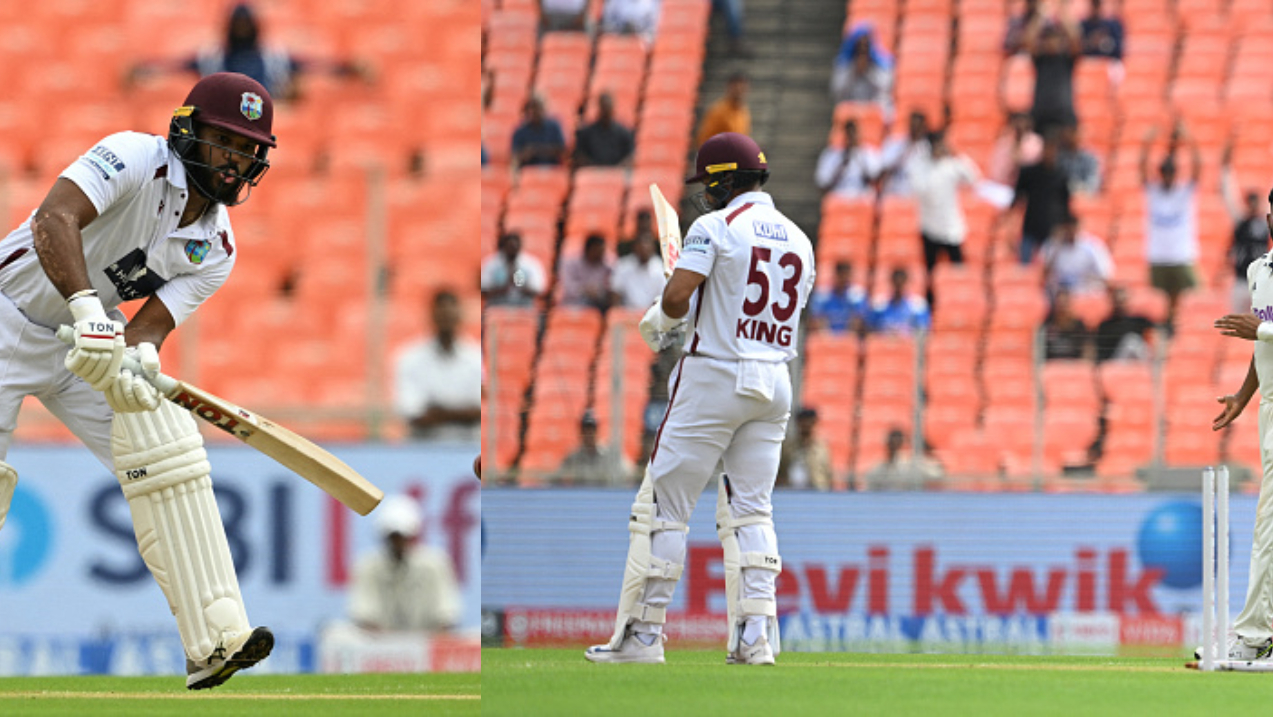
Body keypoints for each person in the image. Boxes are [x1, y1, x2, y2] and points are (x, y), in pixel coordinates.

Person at [0, 72, 278, 689]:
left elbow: (145, 332)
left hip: (82, 342)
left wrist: (137, 364)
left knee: (167, 442)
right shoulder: (135, 156)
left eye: (247, 150)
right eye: (224, 143)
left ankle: (215, 637)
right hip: (7, 313)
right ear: (189, 133)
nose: (235, 162)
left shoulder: (219, 249)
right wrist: (86, 309)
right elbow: (54, 220)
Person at [586, 132, 816, 666]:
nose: (705, 195)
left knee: (664, 508)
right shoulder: (801, 240)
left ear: (727, 181)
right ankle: (755, 638)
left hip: (713, 375)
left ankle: (643, 636)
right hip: (775, 382)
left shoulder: (714, 227)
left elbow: (675, 296)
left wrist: (660, 324)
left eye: (710, 184)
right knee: (752, 511)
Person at [1207, 205, 1273, 660]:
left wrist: (1264, 328)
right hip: (1269, 407)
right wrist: (1243, 396)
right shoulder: (1257, 270)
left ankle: (1252, 637)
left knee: (1268, 526)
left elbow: (1263, 333)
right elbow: (1262, 348)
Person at [126, 3, 367, 102]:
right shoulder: (211, 57)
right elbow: (173, 66)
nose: (241, 29)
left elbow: (314, 66)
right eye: (237, 24)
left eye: (246, 24)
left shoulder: (275, 58)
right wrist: (143, 68)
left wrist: (348, 68)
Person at [349, 495, 462, 633]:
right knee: (336, 632)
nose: (398, 543)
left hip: (427, 642)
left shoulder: (434, 565)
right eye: (393, 537)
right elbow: (362, 613)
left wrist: (435, 638)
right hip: (379, 644)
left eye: (402, 537)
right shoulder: (367, 566)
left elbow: (447, 613)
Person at [394, 289, 482, 442]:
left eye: (450, 313)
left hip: (467, 447)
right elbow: (414, 414)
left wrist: (439, 412)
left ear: (460, 316)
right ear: (432, 315)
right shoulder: (409, 358)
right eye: (442, 313)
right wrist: (462, 413)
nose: (446, 318)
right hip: (422, 450)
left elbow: (480, 412)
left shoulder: (477, 358)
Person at [1140, 122, 1201, 330]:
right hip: (1158, 254)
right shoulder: (1154, 192)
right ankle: (1168, 325)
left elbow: (1197, 170)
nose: (1167, 177)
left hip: (1181, 253)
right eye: (1164, 173)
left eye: (1170, 173)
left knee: (1189, 294)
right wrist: (1148, 144)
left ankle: (1179, 325)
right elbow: (1141, 169)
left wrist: (1190, 143)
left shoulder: (1183, 192)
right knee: (1163, 296)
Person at [909, 129, 980, 307]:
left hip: (951, 229)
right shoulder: (921, 166)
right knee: (930, 274)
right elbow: (922, 190)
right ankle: (932, 309)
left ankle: (961, 305)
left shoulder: (952, 164)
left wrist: (955, 155)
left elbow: (974, 177)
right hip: (929, 229)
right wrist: (931, 162)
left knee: (958, 272)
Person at [1001, 131, 1071, 264]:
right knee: (1024, 267)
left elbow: (1065, 205)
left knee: (1049, 267)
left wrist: (1063, 228)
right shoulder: (1029, 173)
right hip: (1031, 226)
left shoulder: (1061, 175)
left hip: (1052, 230)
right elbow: (1016, 199)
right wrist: (1010, 230)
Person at [1223, 143, 1271, 312]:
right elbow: (1228, 191)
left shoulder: (1264, 221)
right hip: (1240, 280)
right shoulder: (1240, 220)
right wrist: (1227, 163)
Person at [1023, 14, 1081, 137]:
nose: (1052, 42)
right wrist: (1040, 15)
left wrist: (1064, 13)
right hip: (1041, 111)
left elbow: (1075, 40)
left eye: (1055, 39)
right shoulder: (1041, 59)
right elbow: (1028, 40)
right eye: (1048, 39)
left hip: (1063, 112)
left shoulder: (1066, 59)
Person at [1041, 212, 1112, 298]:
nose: (1070, 232)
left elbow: (1105, 275)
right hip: (1060, 294)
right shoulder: (1053, 245)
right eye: (1067, 228)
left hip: (1086, 292)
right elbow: (1044, 275)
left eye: (1073, 228)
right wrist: (1057, 246)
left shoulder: (1093, 246)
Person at [830, 24, 895, 115]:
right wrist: (854, 72)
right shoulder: (844, 65)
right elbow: (837, 91)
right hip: (852, 109)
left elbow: (886, 87)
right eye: (859, 47)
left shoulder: (882, 64)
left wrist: (868, 72)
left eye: (866, 46)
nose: (862, 51)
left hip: (875, 109)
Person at [554, 412, 634, 486]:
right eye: (586, 430)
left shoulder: (609, 454)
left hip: (604, 496)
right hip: (581, 497)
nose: (589, 433)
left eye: (592, 430)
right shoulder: (573, 458)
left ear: (596, 431)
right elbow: (557, 478)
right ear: (581, 432)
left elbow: (630, 473)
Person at [814, 119, 881, 199]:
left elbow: (876, 177)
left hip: (862, 197)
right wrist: (842, 163)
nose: (851, 137)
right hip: (838, 195)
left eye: (853, 133)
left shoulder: (868, 153)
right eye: (848, 133)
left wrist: (859, 159)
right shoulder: (831, 155)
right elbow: (823, 182)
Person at [481, 232, 548, 307]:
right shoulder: (491, 263)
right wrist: (504, 288)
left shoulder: (531, 264)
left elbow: (538, 290)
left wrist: (518, 285)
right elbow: (483, 289)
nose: (512, 250)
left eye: (514, 248)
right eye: (509, 247)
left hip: (524, 305)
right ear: (503, 247)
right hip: (497, 304)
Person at [864, 428, 943, 491]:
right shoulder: (880, 468)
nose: (895, 447)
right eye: (892, 444)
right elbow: (869, 488)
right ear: (888, 445)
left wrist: (928, 451)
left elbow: (938, 475)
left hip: (910, 506)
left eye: (898, 443)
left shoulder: (913, 465)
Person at [776, 408, 832, 490]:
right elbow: (779, 471)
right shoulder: (787, 447)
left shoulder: (821, 448)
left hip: (815, 492)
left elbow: (827, 474)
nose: (806, 425)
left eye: (810, 421)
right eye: (803, 421)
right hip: (789, 491)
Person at [1094, 285, 1154, 362]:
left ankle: (1152, 368)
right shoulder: (1105, 325)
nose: (1120, 305)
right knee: (1131, 341)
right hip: (1116, 361)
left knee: (1134, 341)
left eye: (1123, 301)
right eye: (1118, 301)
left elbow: (1157, 333)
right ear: (1113, 302)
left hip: (1137, 360)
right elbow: (1101, 351)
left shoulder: (1139, 320)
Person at [574, 93, 634, 168]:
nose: (606, 112)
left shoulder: (624, 133)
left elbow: (630, 157)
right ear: (599, 109)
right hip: (592, 174)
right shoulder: (587, 133)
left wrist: (615, 170)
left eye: (608, 108)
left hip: (617, 174)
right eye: (604, 108)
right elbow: (580, 155)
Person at [879, 110, 930, 196]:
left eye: (918, 127)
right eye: (913, 126)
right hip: (897, 188)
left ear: (923, 127)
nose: (915, 130)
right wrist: (905, 150)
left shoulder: (927, 148)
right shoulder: (897, 143)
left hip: (917, 192)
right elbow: (884, 165)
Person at [808, 260, 868, 335]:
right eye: (841, 275)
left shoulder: (856, 296)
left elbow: (859, 321)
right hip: (826, 337)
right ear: (836, 275)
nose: (844, 279)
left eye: (846, 275)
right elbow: (815, 320)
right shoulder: (823, 295)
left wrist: (845, 336)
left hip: (848, 338)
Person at [610, 232, 666, 310]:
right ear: (634, 247)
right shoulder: (623, 265)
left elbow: (662, 298)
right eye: (641, 246)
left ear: (653, 248)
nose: (644, 249)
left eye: (647, 245)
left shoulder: (661, 268)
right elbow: (615, 293)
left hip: (651, 314)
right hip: (627, 313)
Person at [987, 111, 1043, 187]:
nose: (1020, 126)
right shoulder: (1005, 141)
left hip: (1028, 187)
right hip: (1002, 186)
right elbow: (997, 172)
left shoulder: (1035, 142)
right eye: (1017, 125)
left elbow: (1034, 169)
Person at [869, 267, 931, 335]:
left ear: (907, 283)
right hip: (885, 343)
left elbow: (922, 332)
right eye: (896, 283)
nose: (899, 287)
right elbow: (872, 329)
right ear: (892, 283)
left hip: (908, 344)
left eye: (902, 283)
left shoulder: (918, 305)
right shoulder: (879, 304)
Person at [696, 71, 751, 147]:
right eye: (736, 87)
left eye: (742, 87)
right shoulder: (718, 111)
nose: (739, 90)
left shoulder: (743, 112)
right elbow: (704, 138)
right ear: (729, 87)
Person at [560, 234, 614, 311]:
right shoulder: (572, 264)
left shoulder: (606, 267)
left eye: (602, 251)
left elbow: (610, 288)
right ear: (589, 249)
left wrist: (599, 291)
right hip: (575, 303)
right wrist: (585, 290)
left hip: (599, 305)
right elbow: (568, 288)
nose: (600, 254)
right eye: (597, 251)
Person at [512, 94, 567, 168]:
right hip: (529, 171)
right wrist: (525, 154)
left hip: (552, 169)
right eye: (532, 108)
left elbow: (563, 151)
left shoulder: (554, 126)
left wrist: (537, 150)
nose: (535, 111)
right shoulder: (520, 131)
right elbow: (515, 157)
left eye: (538, 107)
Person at [1043, 288, 1091, 360]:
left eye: (1065, 303)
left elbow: (1086, 349)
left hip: (1074, 366)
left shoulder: (1079, 325)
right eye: (1060, 304)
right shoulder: (1047, 324)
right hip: (1052, 366)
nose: (1062, 307)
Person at [1057, 125, 1101, 195]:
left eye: (1073, 133)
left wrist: (1080, 189)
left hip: (1083, 195)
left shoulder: (1090, 158)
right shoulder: (1059, 158)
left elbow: (1093, 183)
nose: (1070, 137)